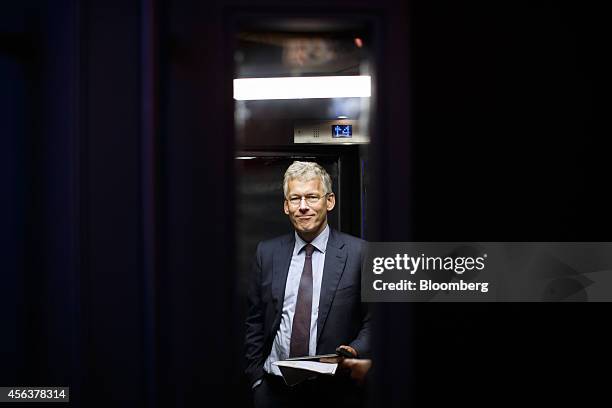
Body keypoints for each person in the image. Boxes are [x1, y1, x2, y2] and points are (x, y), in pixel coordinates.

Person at [244, 161, 371, 408]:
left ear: (329, 201)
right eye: (295, 198)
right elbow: (255, 321)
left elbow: (375, 321)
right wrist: (256, 380)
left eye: (312, 197)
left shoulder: (360, 254)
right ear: (286, 206)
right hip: (273, 391)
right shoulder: (267, 253)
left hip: (334, 393)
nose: (303, 207)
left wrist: (354, 350)